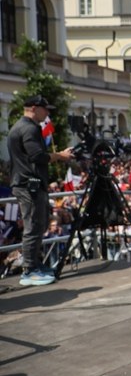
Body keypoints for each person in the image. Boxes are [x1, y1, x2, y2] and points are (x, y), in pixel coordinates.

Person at [8, 95, 74, 286]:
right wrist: (60, 155)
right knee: (33, 226)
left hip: (33, 185)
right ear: (34, 108)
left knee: (40, 223)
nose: (47, 113)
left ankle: (35, 264)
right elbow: (38, 156)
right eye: (45, 109)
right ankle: (29, 270)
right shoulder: (28, 128)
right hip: (28, 185)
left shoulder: (25, 127)